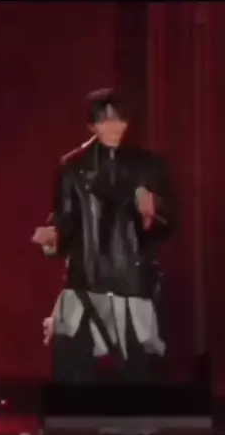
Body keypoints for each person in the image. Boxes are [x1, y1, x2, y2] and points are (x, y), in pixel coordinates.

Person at [32, 88, 174, 383]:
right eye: (104, 121)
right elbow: (65, 222)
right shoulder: (73, 168)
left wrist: (156, 209)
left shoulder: (148, 166)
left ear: (127, 122)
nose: (112, 128)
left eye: (118, 120)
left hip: (131, 279)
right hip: (86, 278)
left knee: (137, 368)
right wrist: (53, 237)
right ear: (91, 125)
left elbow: (170, 223)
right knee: (71, 363)